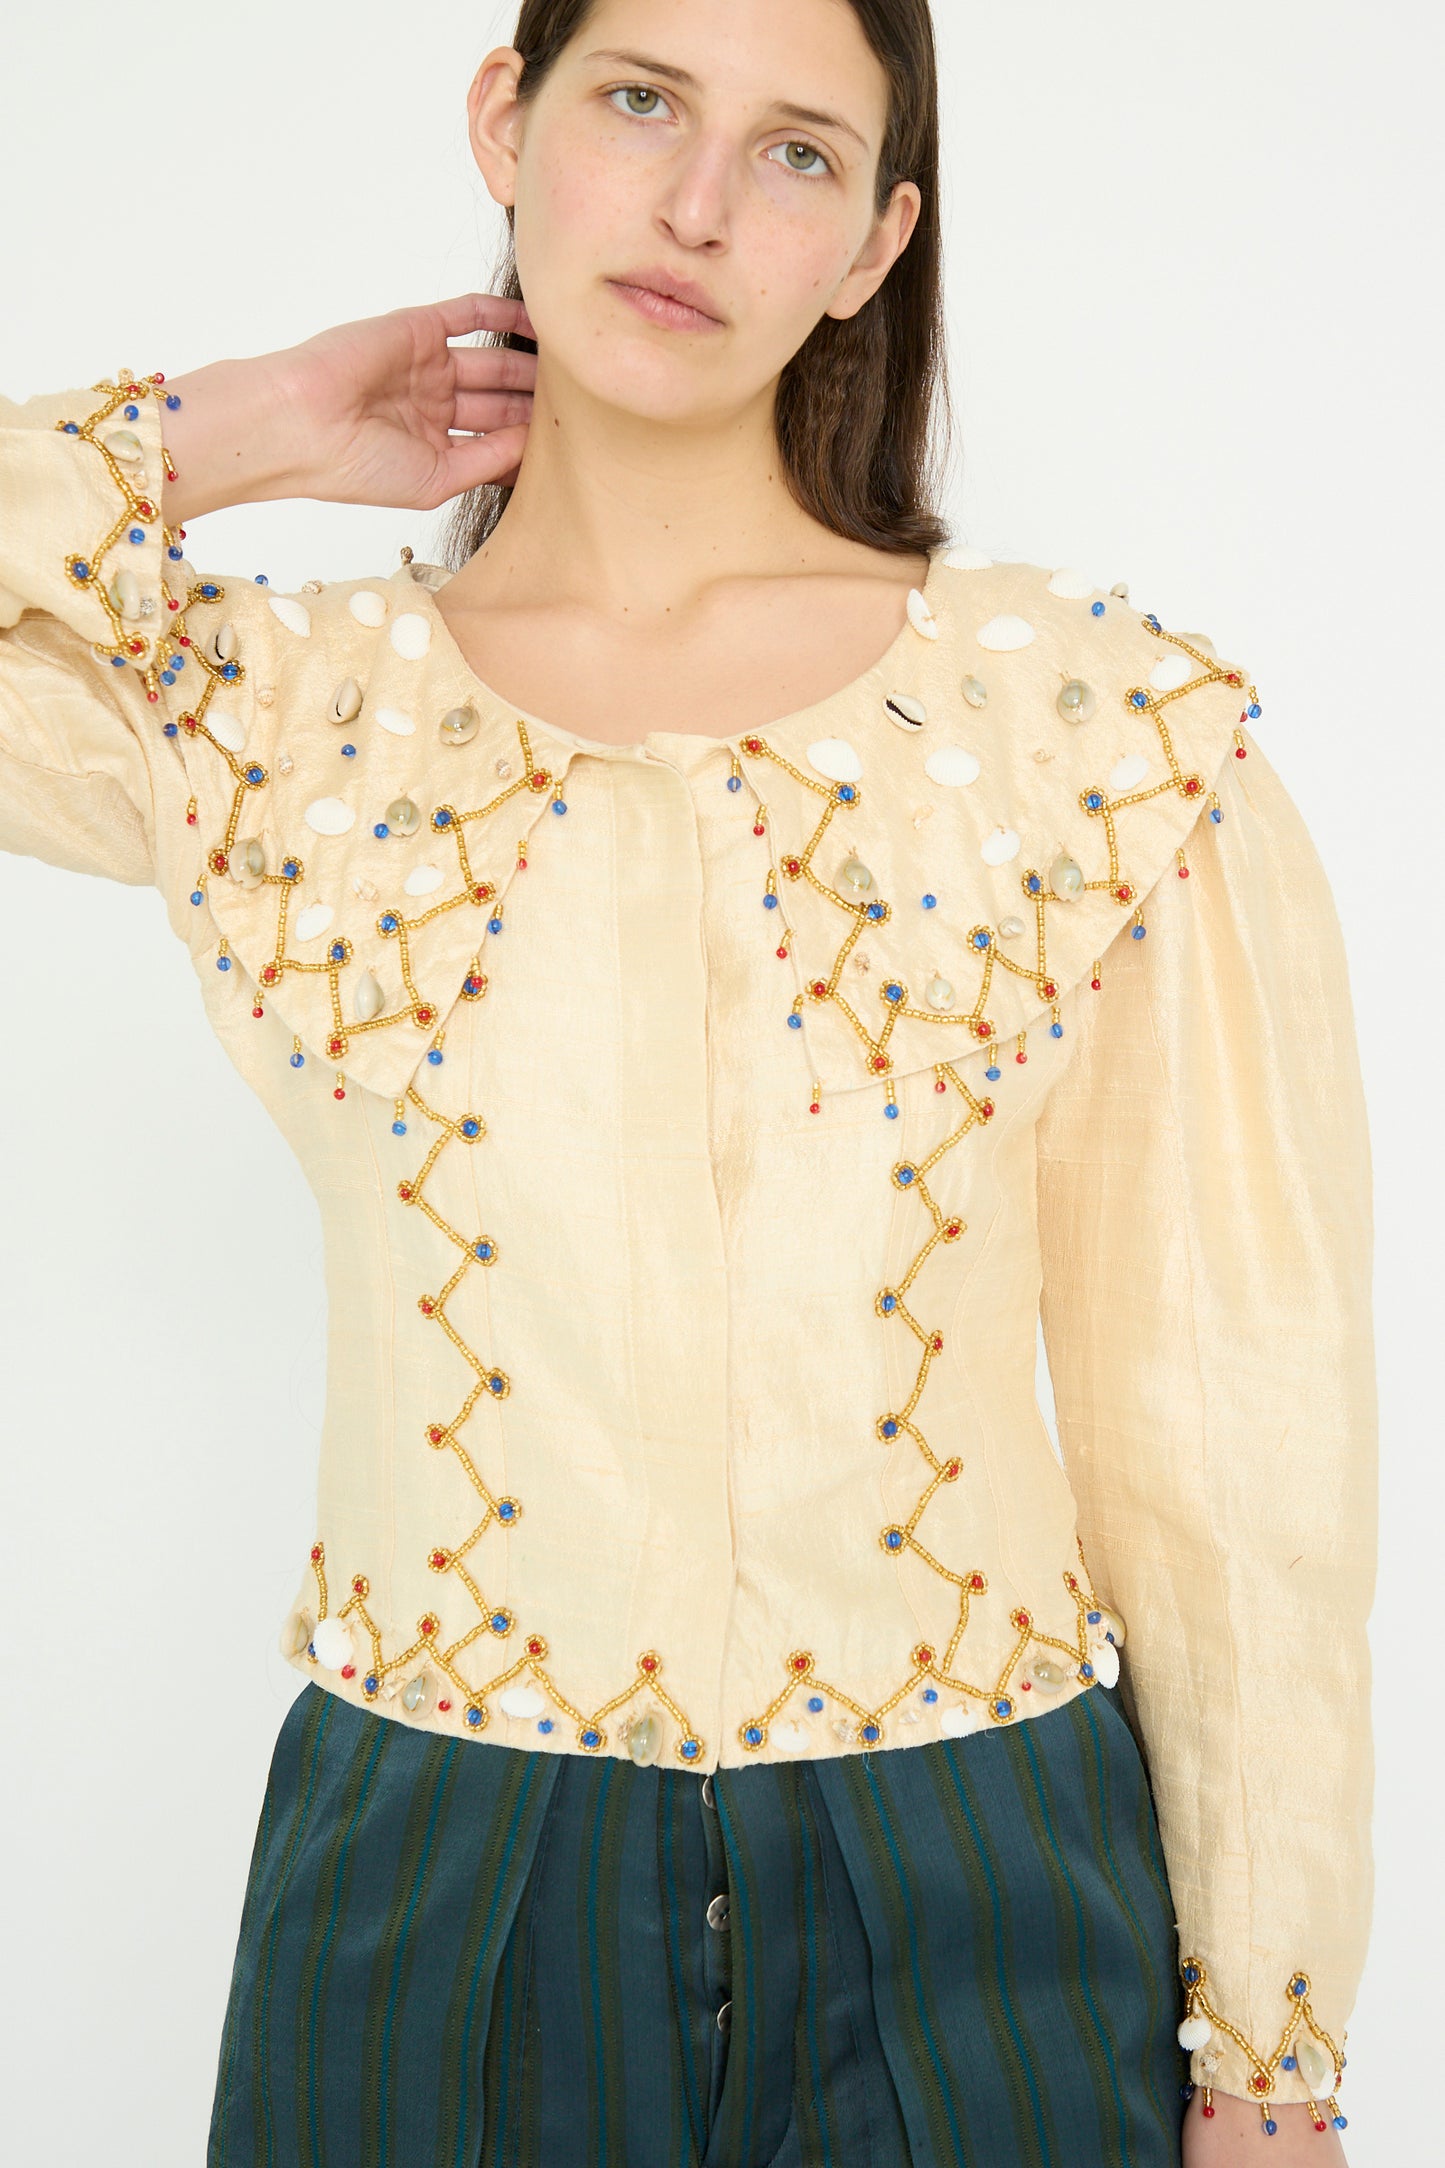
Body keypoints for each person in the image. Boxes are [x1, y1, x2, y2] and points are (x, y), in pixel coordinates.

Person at [0, 2, 1377, 2164]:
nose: (702, 202)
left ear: (873, 242)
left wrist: (1273, 2055)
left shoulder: (1095, 739)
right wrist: (243, 426)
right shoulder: (264, 723)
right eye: (639, 100)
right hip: (426, 1868)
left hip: (986, 1864)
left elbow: (1231, 1435)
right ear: (504, 118)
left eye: (802, 152)